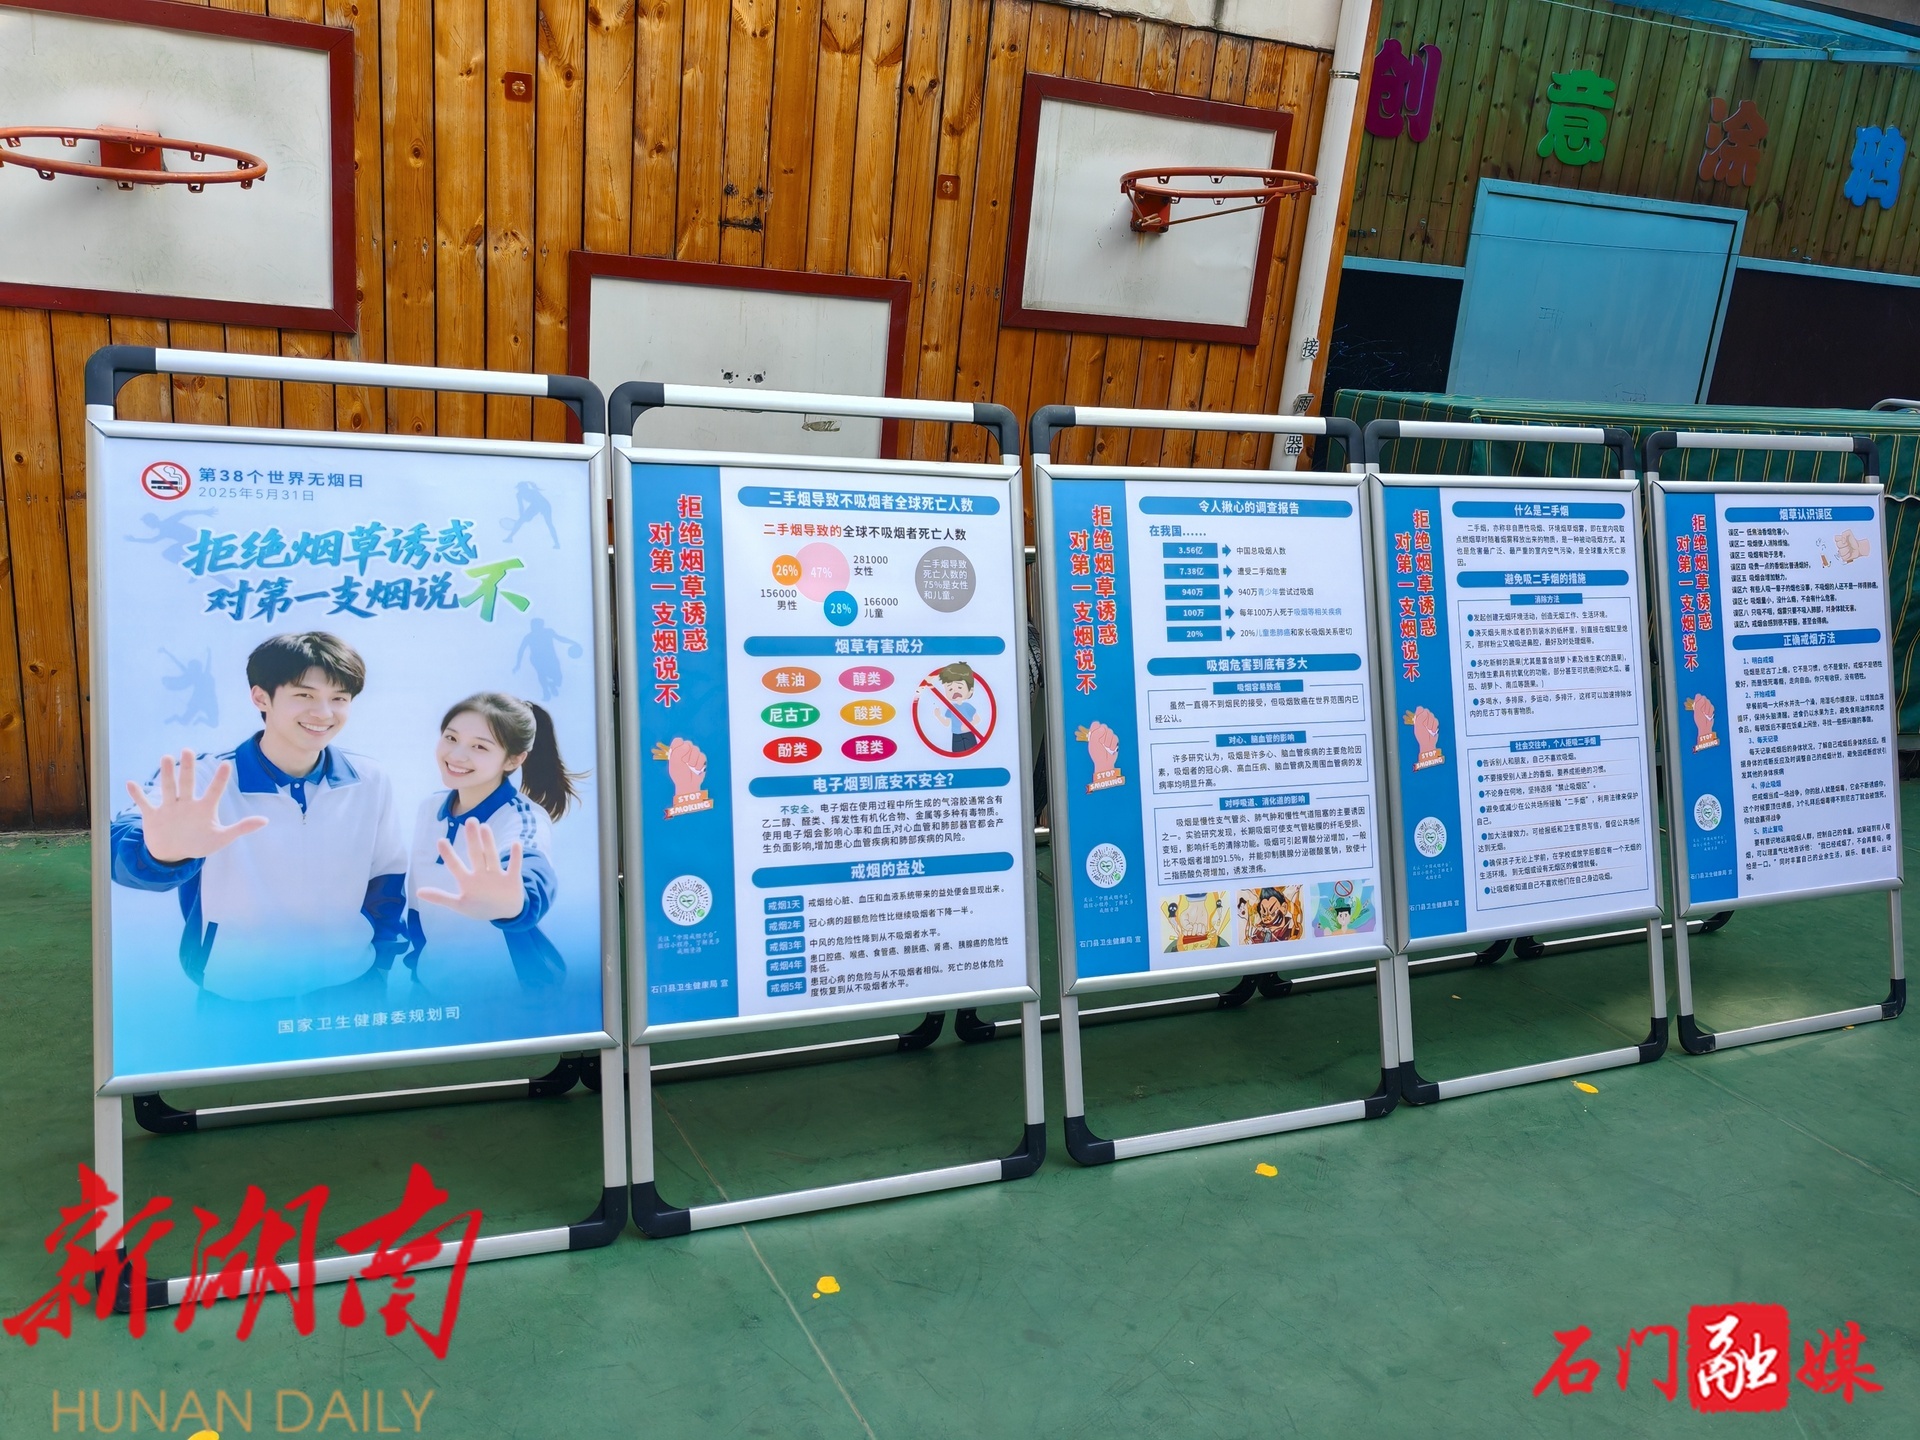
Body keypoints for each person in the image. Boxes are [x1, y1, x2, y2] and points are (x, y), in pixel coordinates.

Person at [110, 632, 407, 1002]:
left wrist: (381, 965)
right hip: (236, 990)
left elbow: (387, 880)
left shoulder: (370, 779)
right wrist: (161, 855)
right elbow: (119, 847)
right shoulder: (205, 778)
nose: (324, 713)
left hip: (351, 982)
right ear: (261, 697)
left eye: (339, 698)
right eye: (305, 695)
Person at [403, 692, 583, 992]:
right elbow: (419, 906)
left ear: (514, 759)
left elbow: (533, 874)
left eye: (479, 746)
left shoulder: (523, 819)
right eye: (451, 738)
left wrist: (513, 903)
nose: (457, 755)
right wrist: (417, 973)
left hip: (505, 997)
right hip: (431, 989)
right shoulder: (429, 809)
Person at [935, 661, 982, 755]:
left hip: (968, 734)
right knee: (957, 753)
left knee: (972, 754)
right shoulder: (950, 709)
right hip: (956, 736)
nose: (955, 691)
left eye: (959, 687)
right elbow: (947, 723)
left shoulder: (967, 706)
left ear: (970, 690)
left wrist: (968, 726)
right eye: (950, 689)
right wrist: (938, 716)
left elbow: (977, 719)